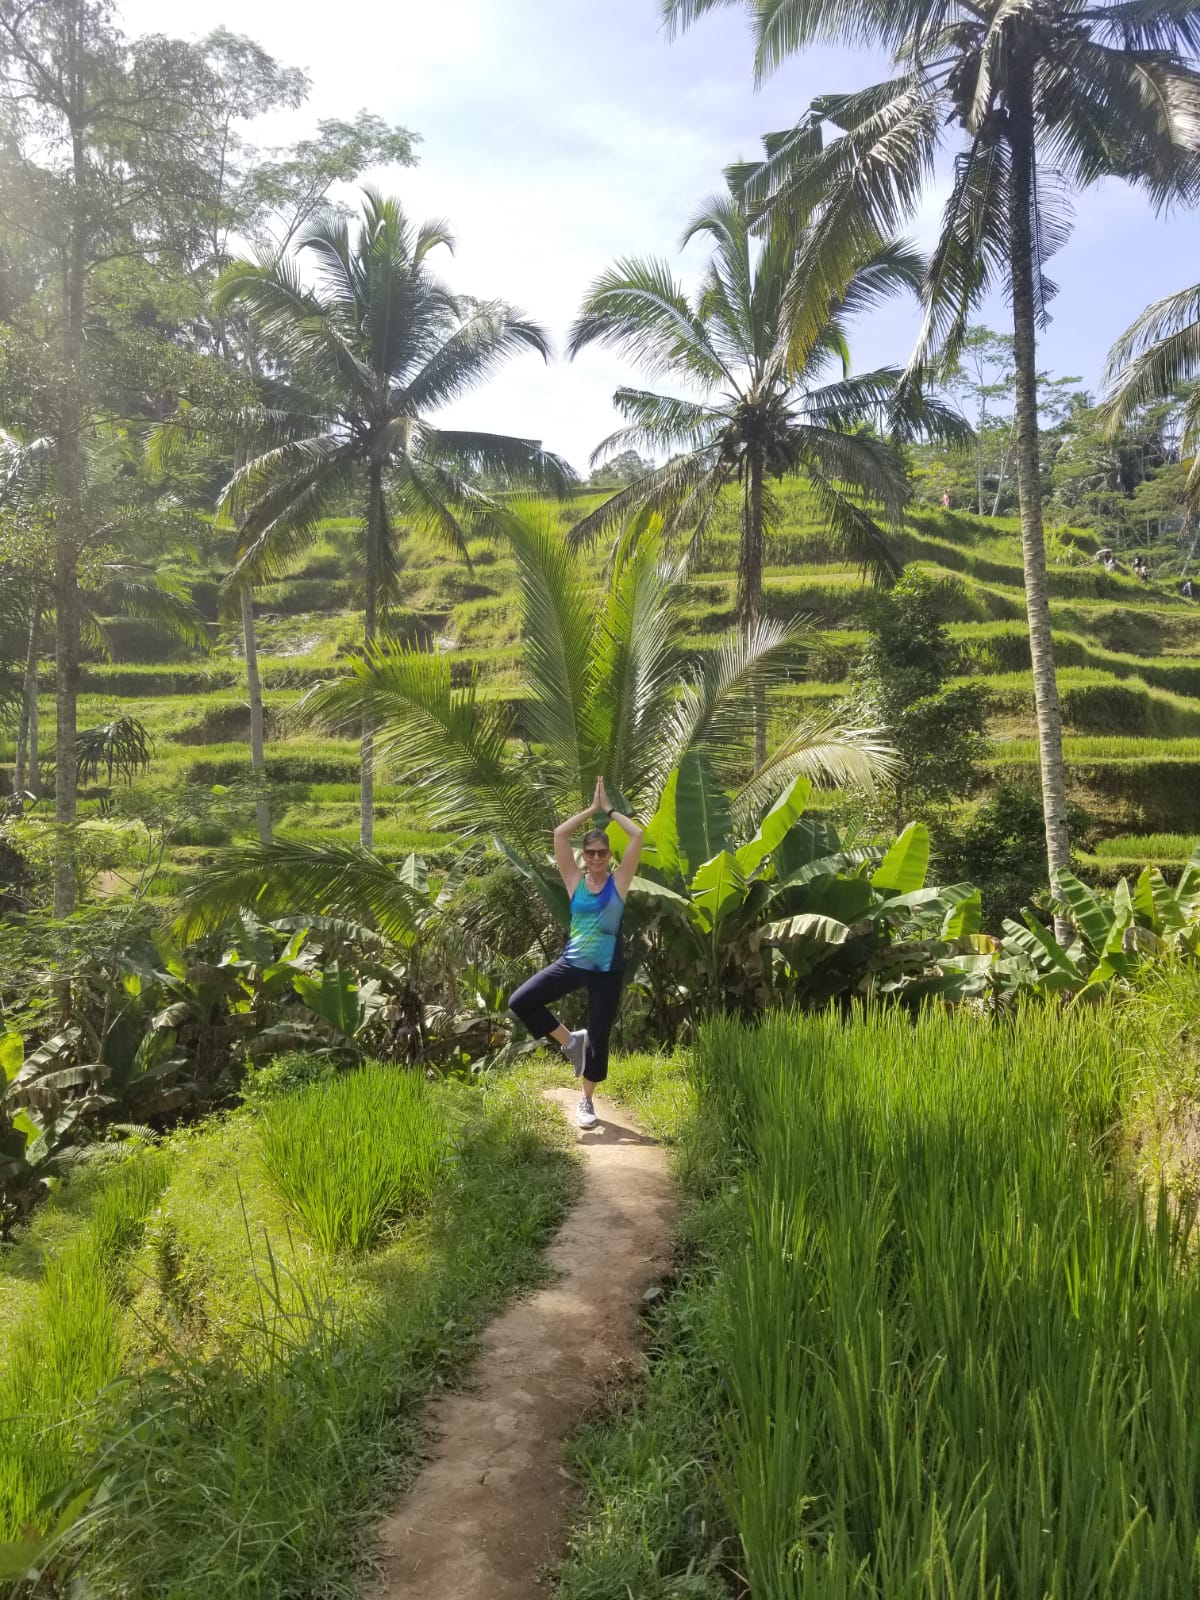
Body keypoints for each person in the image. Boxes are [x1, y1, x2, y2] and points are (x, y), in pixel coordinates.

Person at [507, 776, 643, 1129]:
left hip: (607, 971)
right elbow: (559, 835)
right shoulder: (574, 881)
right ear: (584, 856)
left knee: (599, 1036)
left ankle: (586, 1101)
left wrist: (609, 809)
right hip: (571, 963)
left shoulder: (620, 882)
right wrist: (591, 809)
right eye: (591, 853)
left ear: (609, 856)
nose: (596, 858)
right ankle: (570, 1041)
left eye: (602, 852)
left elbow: (638, 836)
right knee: (521, 1001)